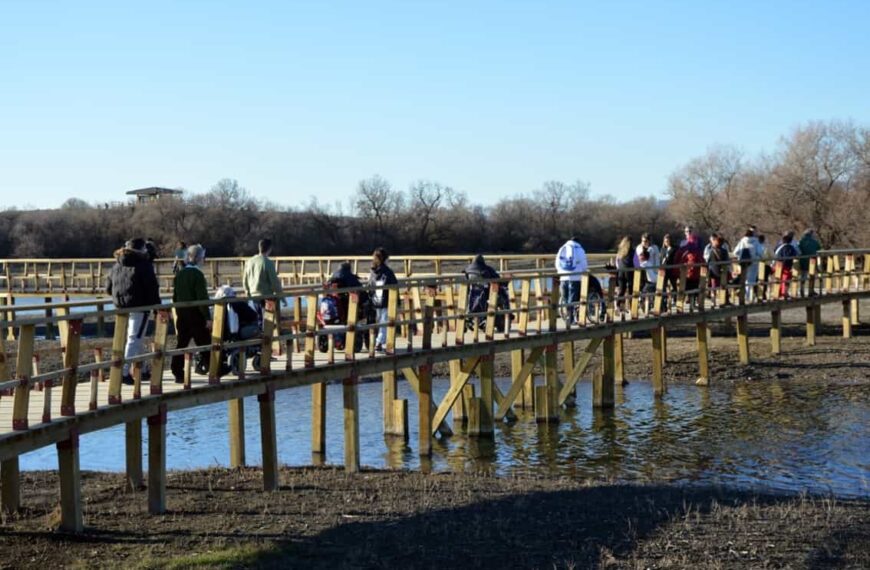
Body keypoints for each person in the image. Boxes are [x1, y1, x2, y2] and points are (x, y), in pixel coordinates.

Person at [106, 238, 161, 385]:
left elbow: (108, 288)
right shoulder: (144, 265)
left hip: (120, 307)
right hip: (139, 307)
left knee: (135, 338)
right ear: (142, 249)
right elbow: (152, 289)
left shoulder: (116, 265)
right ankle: (123, 373)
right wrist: (158, 307)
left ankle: (142, 370)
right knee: (134, 338)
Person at [170, 244, 212, 382]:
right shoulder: (197, 275)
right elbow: (202, 298)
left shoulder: (180, 274)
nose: (204, 260)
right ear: (199, 258)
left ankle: (177, 371)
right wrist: (207, 317)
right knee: (204, 342)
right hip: (195, 314)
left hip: (182, 313)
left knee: (182, 343)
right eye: (203, 257)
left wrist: (177, 311)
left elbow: (175, 296)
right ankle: (214, 367)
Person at [243, 238, 285, 326]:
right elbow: (274, 282)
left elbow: (245, 279)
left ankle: (260, 333)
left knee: (259, 320)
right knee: (268, 323)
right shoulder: (267, 262)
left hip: (253, 296)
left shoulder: (249, 262)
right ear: (269, 249)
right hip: (267, 296)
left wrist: (247, 292)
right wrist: (282, 297)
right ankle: (266, 334)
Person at [463, 254, 509, 332]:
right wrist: (505, 282)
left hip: (473, 294)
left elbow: (466, 282)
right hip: (486, 294)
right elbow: (497, 279)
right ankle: (503, 318)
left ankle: (470, 320)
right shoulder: (486, 269)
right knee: (500, 297)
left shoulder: (468, 270)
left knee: (476, 301)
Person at [368, 247, 398, 353]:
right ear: (385, 259)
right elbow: (395, 285)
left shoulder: (372, 271)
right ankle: (378, 343)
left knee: (379, 321)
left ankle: (376, 342)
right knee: (384, 322)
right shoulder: (387, 272)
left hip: (376, 299)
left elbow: (369, 285)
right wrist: (397, 301)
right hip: (386, 300)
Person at [555, 236, 588, 324]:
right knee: (572, 298)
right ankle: (571, 318)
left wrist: (560, 272)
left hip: (563, 277)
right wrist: (582, 271)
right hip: (575, 277)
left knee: (565, 298)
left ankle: (567, 317)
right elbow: (584, 264)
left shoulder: (562, 248)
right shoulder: (579, 249)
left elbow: (557, 263)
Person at [672, 226, 703, 305]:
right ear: (684, 232)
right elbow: (679, 255)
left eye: (690, 231)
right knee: (687, 286)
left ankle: (691, 303)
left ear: (693, 232)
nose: (688, 232)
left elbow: (700, 254)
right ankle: (685, 303)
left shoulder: (698, 241)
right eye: (687, 231)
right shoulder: (683, 243)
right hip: (686, 269)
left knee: (692, 286)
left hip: (694, 269)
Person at [733, 228, 764, 301]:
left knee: (744, 279)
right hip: (754, 262)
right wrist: (757, 257)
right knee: (751, 280)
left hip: (743, 263)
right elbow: (760, 252)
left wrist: (740, 256)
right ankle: (749, 296)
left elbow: (735, 252)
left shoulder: (742, 241)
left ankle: (743, 296)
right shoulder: (756, 241)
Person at [636, 233, 660, 312]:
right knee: (642, 288)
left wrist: (656, 271)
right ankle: (644, 304)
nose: (644, 243)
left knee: (649, 288)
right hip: (642, 272)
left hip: (652, 272)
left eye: (645, 241)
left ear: (649, 241)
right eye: (642, 241)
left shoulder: (654, 248)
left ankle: (649, 305)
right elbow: (639, 258)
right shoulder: (639, 247)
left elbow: (649, 257)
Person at [704, 233, 731, 300]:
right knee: (724, 285)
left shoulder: (711, 251)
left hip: (713, 272)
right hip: (723, 271)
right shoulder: (724, 251)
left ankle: (713, 299)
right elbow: (728, 261)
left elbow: (707, 261)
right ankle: (725, 299)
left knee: (714, 286)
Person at [774, 231, 800, 298]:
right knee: (785, 279)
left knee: (778, 279)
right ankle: (784, 293)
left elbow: (774, 252)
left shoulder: (779, 246)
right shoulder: (790, 247)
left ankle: (777, 293)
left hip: (778, 264)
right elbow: (795, 255)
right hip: (786, 265)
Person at [613, 236, 634, 310]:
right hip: (630, 271)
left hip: (621, 272)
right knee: (631, 289)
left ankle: (617, 305)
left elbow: (617, 262)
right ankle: (631, 306)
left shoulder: (620, 252)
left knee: (622, 290)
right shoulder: (632, 251)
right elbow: (637, 263)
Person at [798, 229, 821, 296]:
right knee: (811, 275)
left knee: (803, 275)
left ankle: (802, 289)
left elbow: (798, 250)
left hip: (803, 260)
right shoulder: (814, 242)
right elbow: (819, 248)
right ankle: (811, 291)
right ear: (811, 234)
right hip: (812, 260)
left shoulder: (801, 242)